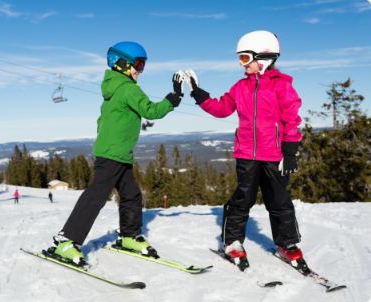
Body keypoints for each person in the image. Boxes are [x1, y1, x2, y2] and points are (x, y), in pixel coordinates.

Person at [47, 41, 186, 267]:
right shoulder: (127, 87)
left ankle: (129, 236)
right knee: (96, 197)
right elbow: (150, 111)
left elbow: (103, 119)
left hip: (118, 153)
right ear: (121, 63)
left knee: (131, 195)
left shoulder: (113, 88)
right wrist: (174, 97)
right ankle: (67, 241)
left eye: (143, 65)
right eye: (138, 65)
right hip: (113, 154)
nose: (140, 70)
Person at [184, 30, 304, 271]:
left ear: (264, 58)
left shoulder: (282, 86)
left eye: (244, 58)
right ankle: (232, 242)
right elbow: (221, 109)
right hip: (246, 154)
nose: (242, 64)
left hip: (275, 155)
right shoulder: (240, 87)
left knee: (280, 201)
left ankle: (287, 244)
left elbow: (292, 118)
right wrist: (199, 94)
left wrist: (290, 151)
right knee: (242, 199)